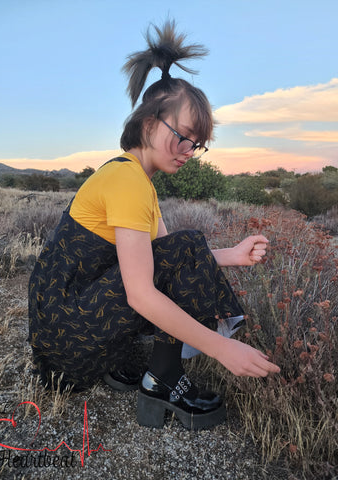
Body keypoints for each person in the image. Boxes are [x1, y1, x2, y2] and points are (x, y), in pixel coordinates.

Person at [28, 20, 280, 430]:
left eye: (196, 144)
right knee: (186, 246)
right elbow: (144, 294)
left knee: (185, 247)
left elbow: (164, 260)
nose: (188, 152)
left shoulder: (136, 180)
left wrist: (230, 256)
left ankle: (136, 368)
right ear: (148, 123)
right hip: (65, 339)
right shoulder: (127, 180)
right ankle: (163, 382)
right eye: (182, 136)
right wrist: (221, 349)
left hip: (61, 330)